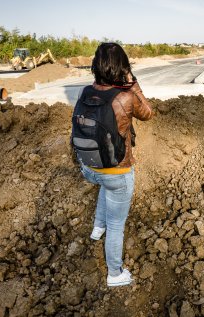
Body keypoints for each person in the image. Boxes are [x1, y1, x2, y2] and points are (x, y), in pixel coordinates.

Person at [75, 42, 153, 287]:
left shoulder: (85, 91)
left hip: (89, 168)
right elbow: (148, 112)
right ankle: (115, 274)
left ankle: (97, 228)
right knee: (117, 225)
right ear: (123, 66)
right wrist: (133, 82)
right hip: (116, 171)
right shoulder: (125, 97)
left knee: (104, 186)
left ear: (95, 65)